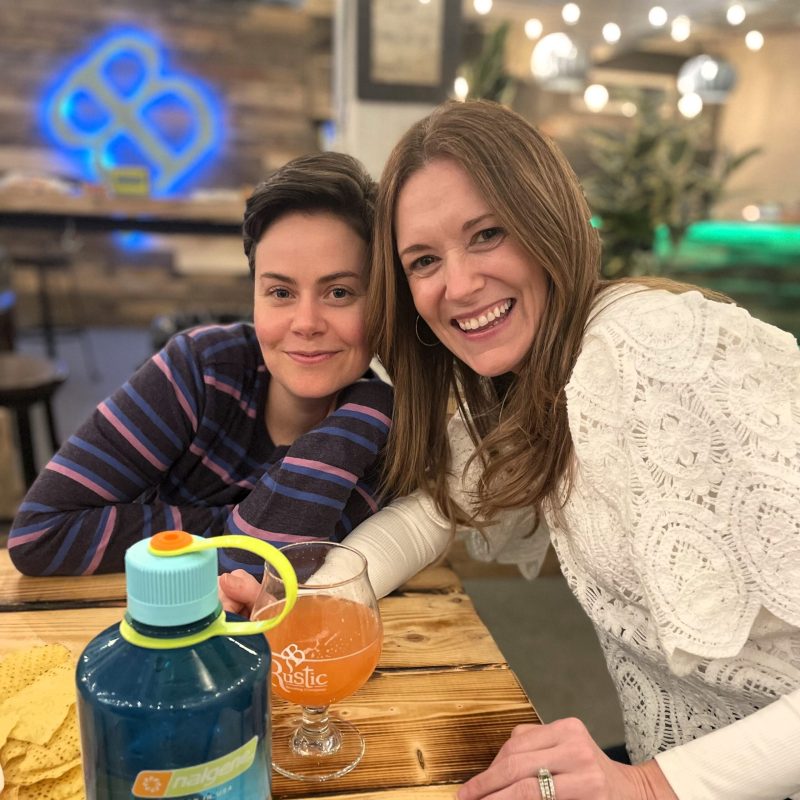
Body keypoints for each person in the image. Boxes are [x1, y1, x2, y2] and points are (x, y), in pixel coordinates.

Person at [360, 100, 799, 800]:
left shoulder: (650, 351)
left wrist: (649, 786)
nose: (459, 285)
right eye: (423, 260)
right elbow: (431, 515)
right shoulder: (533, 380)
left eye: (487, 233)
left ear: (547, 219)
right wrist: (323, 595)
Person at [8, 152, 394, 579]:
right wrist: (231, 529)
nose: (305, 324)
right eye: (280, 292)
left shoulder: (378, 434)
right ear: (254, 297)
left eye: (339, 292)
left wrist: (373, 407)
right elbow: (40, 534)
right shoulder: (202, 368)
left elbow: (261, 572)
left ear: (379, 301)